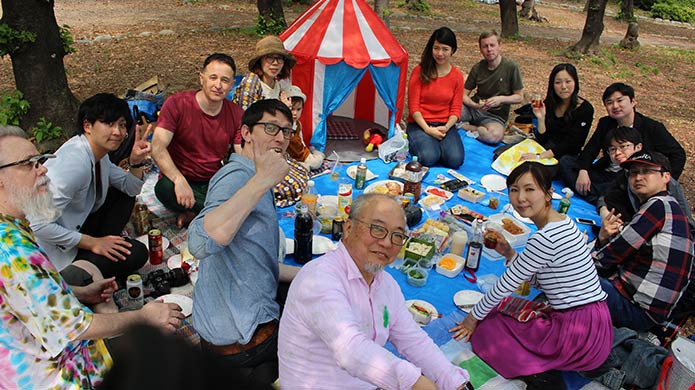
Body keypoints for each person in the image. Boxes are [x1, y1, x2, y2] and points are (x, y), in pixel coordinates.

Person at [0, 126, 184, 388]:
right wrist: (144, 316)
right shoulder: (12, 252)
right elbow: (75, 328)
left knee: (96, 274)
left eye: (39, 161)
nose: (42, 170)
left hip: (40, 329)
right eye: (27, 165)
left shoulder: (12, 224)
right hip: (59, 373)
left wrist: (78, 293)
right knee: (160, 347)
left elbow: (22, 295)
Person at [279, 193, 470, 389]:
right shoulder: (320, 279)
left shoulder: (385, 284)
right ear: (348, 228)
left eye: (397, 235)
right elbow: (351, 350)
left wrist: (454, 381)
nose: (387, 243)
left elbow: (414, 341)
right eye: (378, 229)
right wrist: (415, 382)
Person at [450, 162, 612, 388]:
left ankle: (541, 375)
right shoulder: (566, 223)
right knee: (500, 310)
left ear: (549, 193)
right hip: (595, 324)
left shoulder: (545, 238)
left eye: (529, 189)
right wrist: (508, 252)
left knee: (486, 331)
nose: (520, 198)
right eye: (514, 190)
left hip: (575, 332)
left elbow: (504, 285)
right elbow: (545, 279)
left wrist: (470, 320)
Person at [188, 99, 299, 385]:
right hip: (240, 342)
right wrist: (263, 180)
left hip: (226, 331)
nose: (281, 138)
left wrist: (310, 272)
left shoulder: (254, 173)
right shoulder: (238, 176)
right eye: (271, 128)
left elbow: (257, 259)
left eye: (287, 131)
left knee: (309, 283)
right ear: (247, 133)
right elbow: (200, 243)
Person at [31, 93, 151, 289]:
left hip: (78, 227)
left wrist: (136, 163)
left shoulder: (99, 154)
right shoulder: (74, 163)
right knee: (137, 253)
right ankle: (73, 275)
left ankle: (98, 258)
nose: (118, 132)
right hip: (55, 250)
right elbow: (38, 226)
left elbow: (130, 187)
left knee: (124, 196)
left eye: (121, 125)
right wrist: (94, 243)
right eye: (109, 124)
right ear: (87, 126)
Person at [593, 151, 694, 332]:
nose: (638, 177)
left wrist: (580, 266)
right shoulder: (670, 208)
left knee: (568, 276)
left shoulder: (659, 205)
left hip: (636, 309)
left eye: (647, 171)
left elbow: (614, 253)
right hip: (644, 308)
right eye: (633, 172)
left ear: (666, 177)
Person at [152, 52, 244, 228]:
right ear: (202, 79)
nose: (218, 85)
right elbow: (157, 147)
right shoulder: (177, 104)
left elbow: (241, 156)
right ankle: (220, 214)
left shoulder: (236, 113)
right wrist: (179, 180)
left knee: (241, 190)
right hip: (179, 178)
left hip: (213, 180)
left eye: (225, 80)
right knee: (163, 189)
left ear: (232, 84)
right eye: (213, 78)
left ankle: (197, 213)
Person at [558, 82, 686, 204]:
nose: (615, 106)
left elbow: (678, 154)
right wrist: (583, 170)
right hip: (606, 172)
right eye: (609, 102)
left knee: (620, 189)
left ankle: (596, 196)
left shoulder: (652, 128)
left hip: (628, 178)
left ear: (633, 101)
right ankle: (598, 196)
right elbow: (591, 148)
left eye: (620, 101)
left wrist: (663, 182)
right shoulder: (606, 123)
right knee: (566, 162)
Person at [596, 127, 695, 235]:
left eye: (623, 147)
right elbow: (604, 196)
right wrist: (604, 211)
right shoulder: (624, 176)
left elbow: (687, 224)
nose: (618, 153)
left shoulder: (664, 184)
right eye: (612, 149)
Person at [406, 27, 465, 168]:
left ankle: (439, 147)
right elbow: (414, 108)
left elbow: (456, 109)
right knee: (429, 158)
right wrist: (428, 130)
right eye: (436, 48)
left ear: (452, 50)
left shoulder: (457, 76)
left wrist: (446, 127)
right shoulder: (419, 71)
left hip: (445, 125)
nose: (440, 53)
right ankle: (428, 145)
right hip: (420, 124)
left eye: (445, 49)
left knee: (455, 160)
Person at [519, 63, 594, 162]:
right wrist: (541, 118)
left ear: (575, 82)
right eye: (558, 82)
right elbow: (542, 139)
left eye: (568, 81)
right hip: (545, 149)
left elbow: (572, 144)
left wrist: (539, 157)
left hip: (565, 157)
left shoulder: (585, 109)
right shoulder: (550, 104)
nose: (563, 87)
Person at [459, 30, 524, 144]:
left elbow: (519, 97)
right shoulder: (478, 68)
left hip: (495, 116)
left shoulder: (511, 67)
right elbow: (463, 94)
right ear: (481, 50)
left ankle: (467, 127)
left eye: (492, 45)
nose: (489, 49)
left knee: (493, 137)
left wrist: (501, 99)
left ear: (499, 46)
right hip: (473, 110)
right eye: (485, 46)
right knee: (444, 113)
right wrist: (474, 105)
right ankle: (472, 127)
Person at [233, 35, 296, 110]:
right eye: (270, 57)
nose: (275, 63)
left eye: (279, 58)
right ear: (260, 61)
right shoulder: (252, 82)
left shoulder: (276, 83)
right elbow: (248, 117)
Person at [283, 85, 325, 171]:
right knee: (304, 168)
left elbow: (301, 140)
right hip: (288, 158)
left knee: (314, 163)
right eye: (291, 109)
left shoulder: (298, 124)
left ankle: (318, 154)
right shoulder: (282, 126)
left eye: (298, 109)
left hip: (301, 153)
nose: (295, 113)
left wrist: (306, 152)